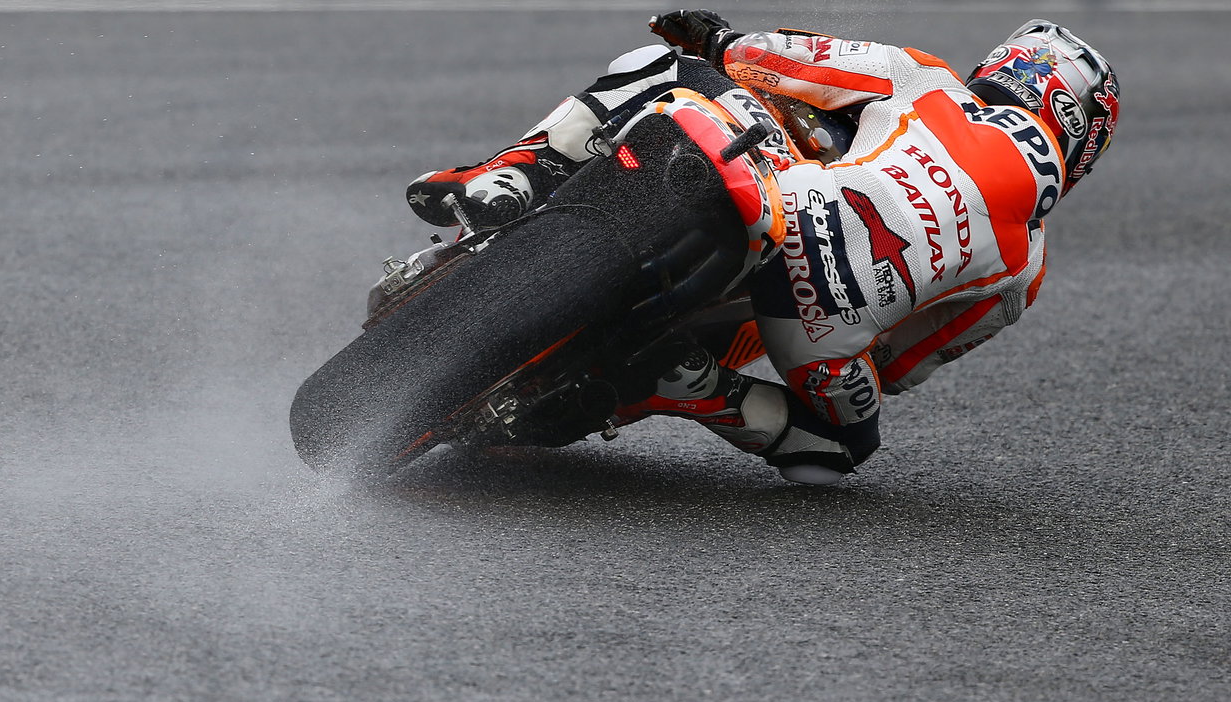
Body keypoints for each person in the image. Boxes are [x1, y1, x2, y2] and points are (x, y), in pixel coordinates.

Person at [405, 11, 1119, 484]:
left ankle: (510, 177)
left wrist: (716, 41)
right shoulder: (1026, 268)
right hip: (817, 329)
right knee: (840, 448)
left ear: (1005, 65)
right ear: (1082, 142)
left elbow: (779, 61)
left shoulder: (929, 81)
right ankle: (693, 388)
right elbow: (898, 366)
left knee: (662, 66)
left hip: (792, 203)